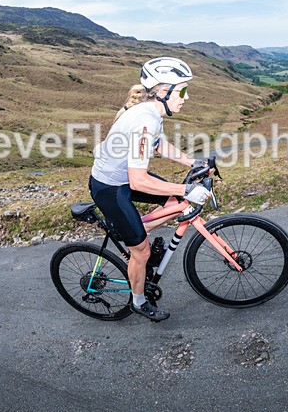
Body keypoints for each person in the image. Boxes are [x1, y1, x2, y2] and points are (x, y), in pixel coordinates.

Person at [89, 57, 211, 322]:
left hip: (125, 178)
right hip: (110, 187)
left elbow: (159, 145)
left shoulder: (153, 112)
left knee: (175, 203)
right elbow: (138, 182)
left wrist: (193, 162)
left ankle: (134, 231)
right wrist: (187, 188)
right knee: (142, 252)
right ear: (164, 91)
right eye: (183, 91)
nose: (187, 97)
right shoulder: (144, 120)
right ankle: (138, 301)